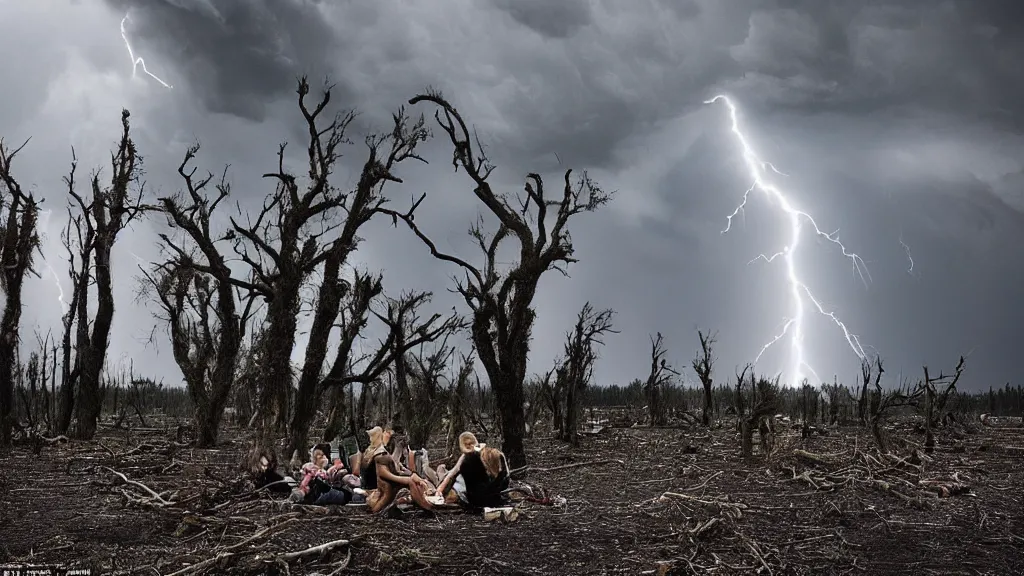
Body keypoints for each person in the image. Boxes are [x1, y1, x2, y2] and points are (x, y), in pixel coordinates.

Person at [360, 425, 434, 513]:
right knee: (410, 482)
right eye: (387, 433)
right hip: (384, 485)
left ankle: (425, 503)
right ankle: (425, 506)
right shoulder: (380, 454)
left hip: (385, 483)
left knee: (413, 481)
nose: (390, 435)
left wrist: (409, 475)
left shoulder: (377, 451)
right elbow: (383, 473)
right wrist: (404, 479)